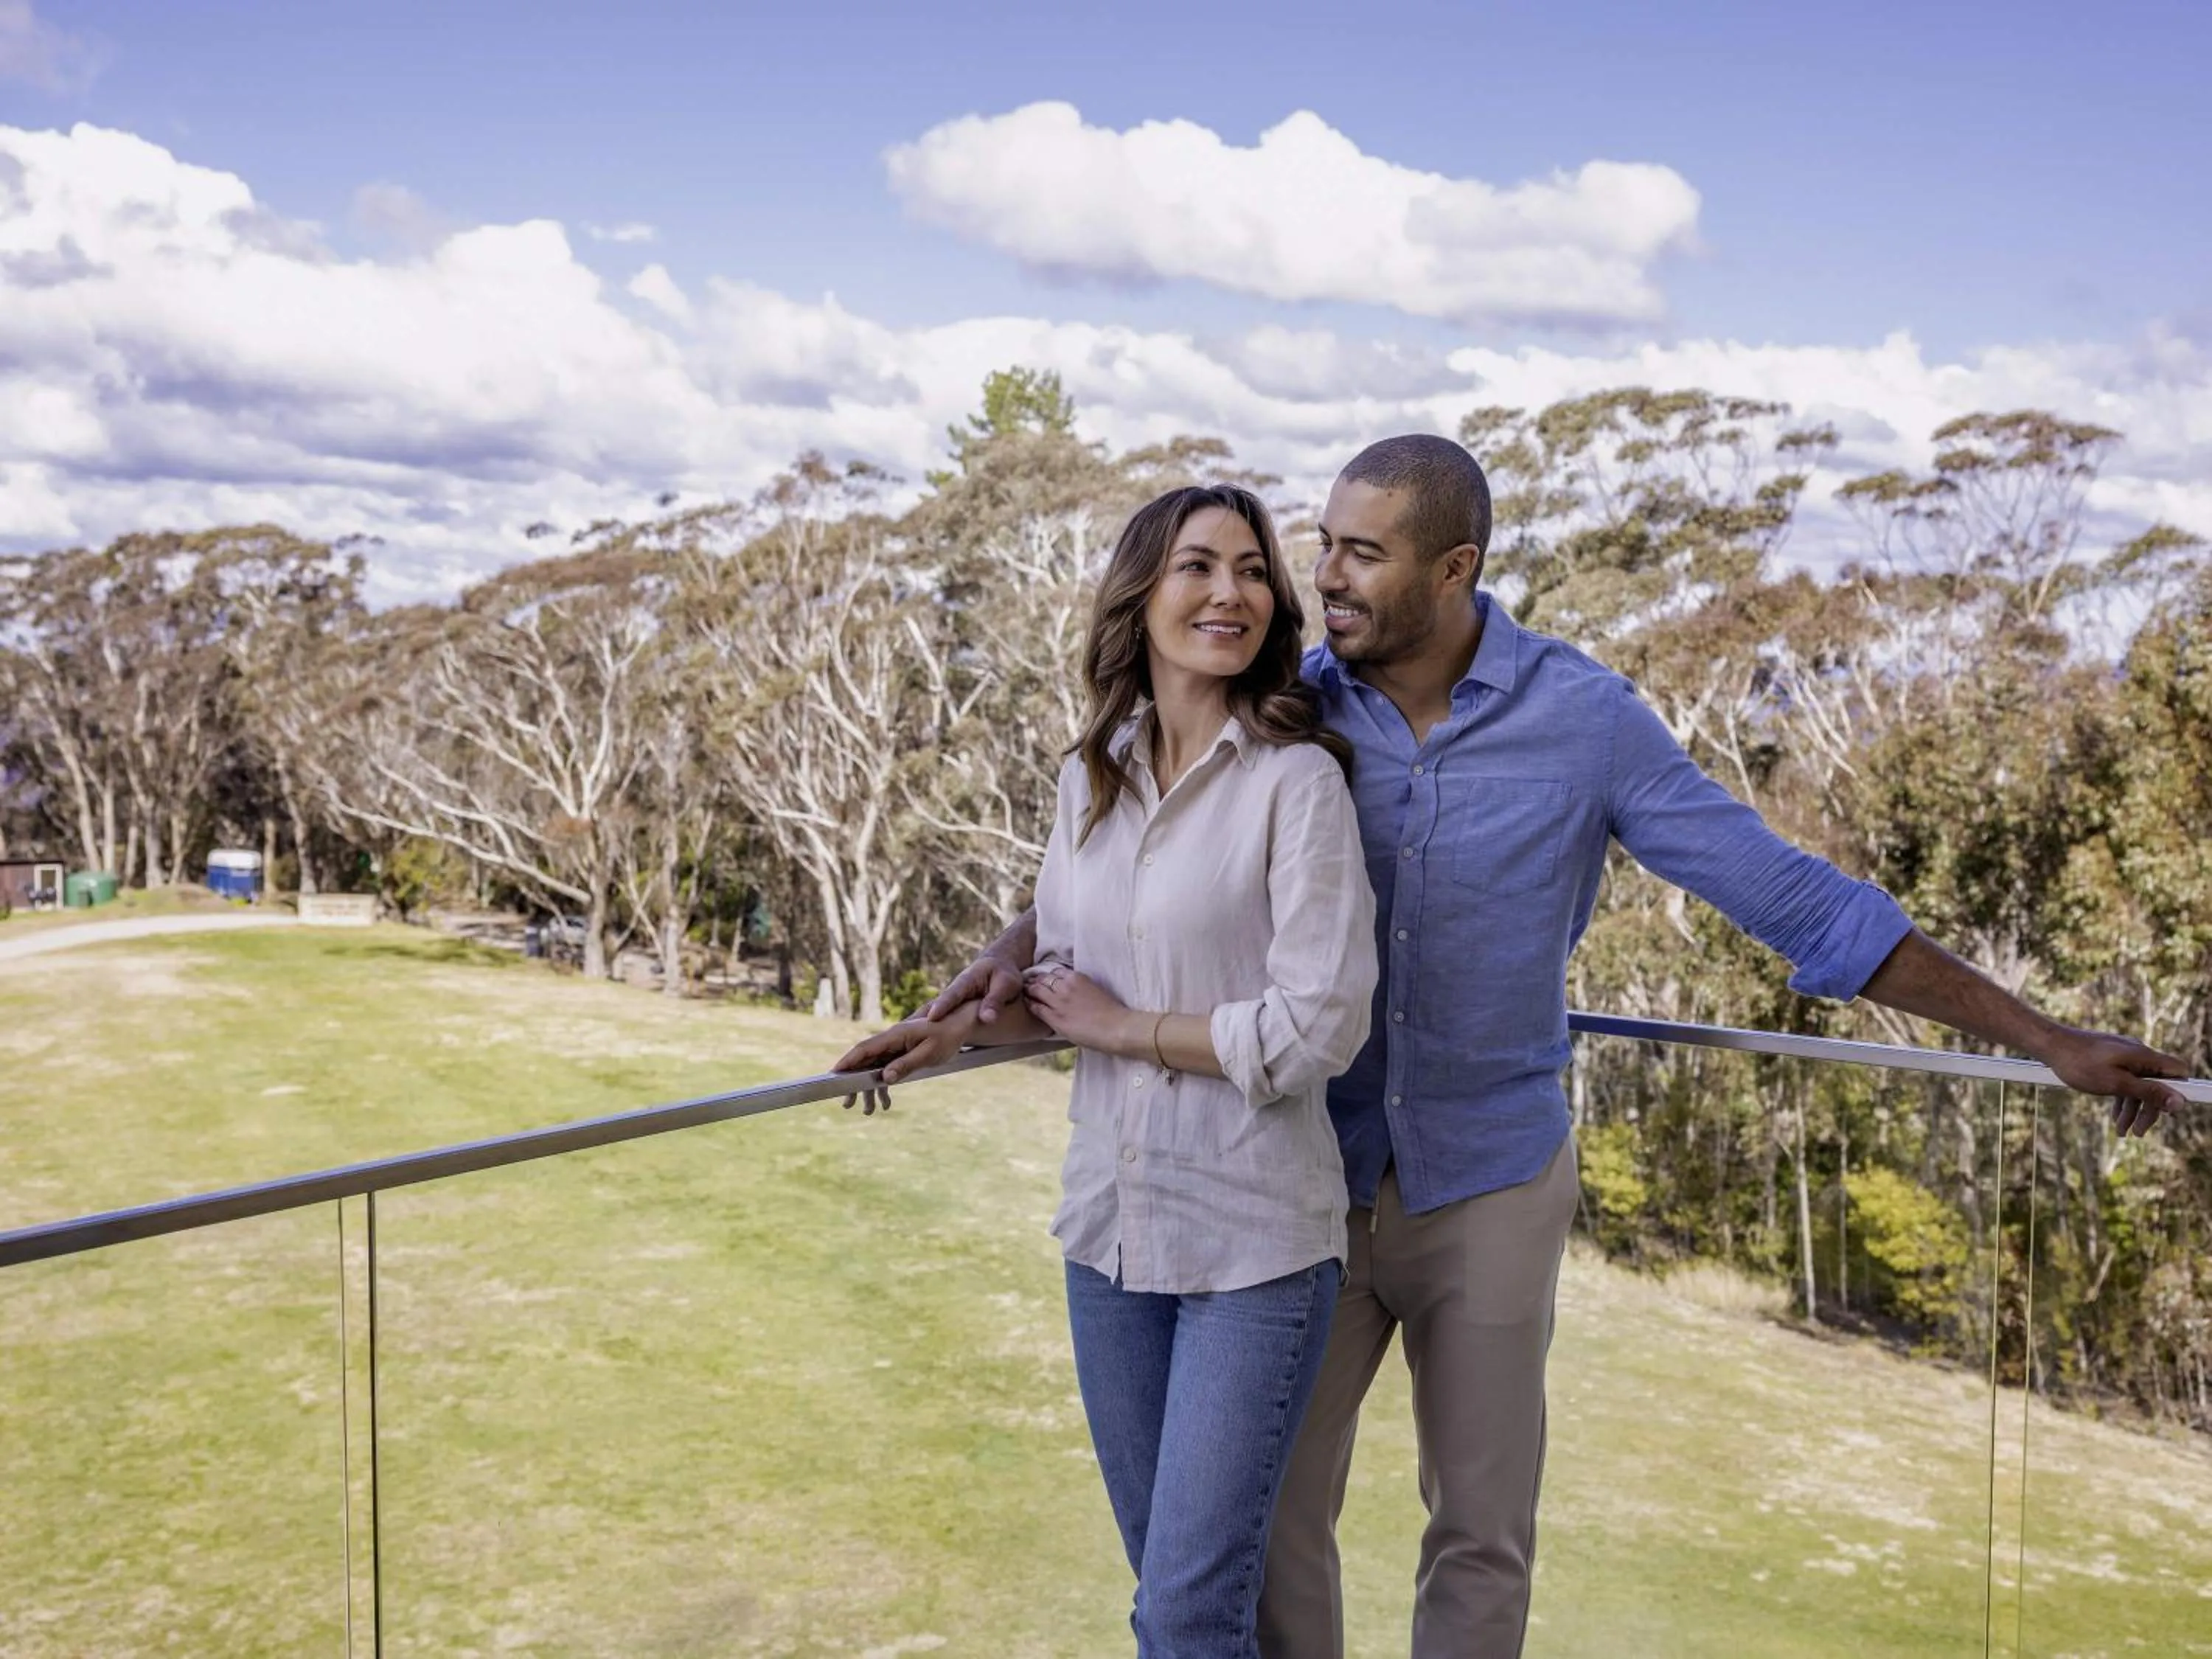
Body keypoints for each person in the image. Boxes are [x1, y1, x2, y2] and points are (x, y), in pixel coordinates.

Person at [841, 437, 2190, 1659]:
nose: (1325, 580)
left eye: (1359, 554)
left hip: (1489, 1174)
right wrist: (977, 989)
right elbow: (1138, 850)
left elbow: (1796, 903)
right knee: (1263, 1533)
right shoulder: (1296, 706)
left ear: (1457, 568)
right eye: (1321, 548)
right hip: (1301, 1181)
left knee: (1480, 1532)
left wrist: (2046, 1037)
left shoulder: (1586, 720)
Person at [838, 482, 1379, 1656]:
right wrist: (955, 1028)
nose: (1229, 591)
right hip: (1110, 1235)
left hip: (1256, 1250)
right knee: (1174, 1601)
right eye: (1197, 565)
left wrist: (1129, 1026)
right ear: (1140, 596)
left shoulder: (1299, 784)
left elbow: (1315, 1028)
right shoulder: (1091, 775)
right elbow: (1062, 974)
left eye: (1250, 570)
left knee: (1188, 1610)